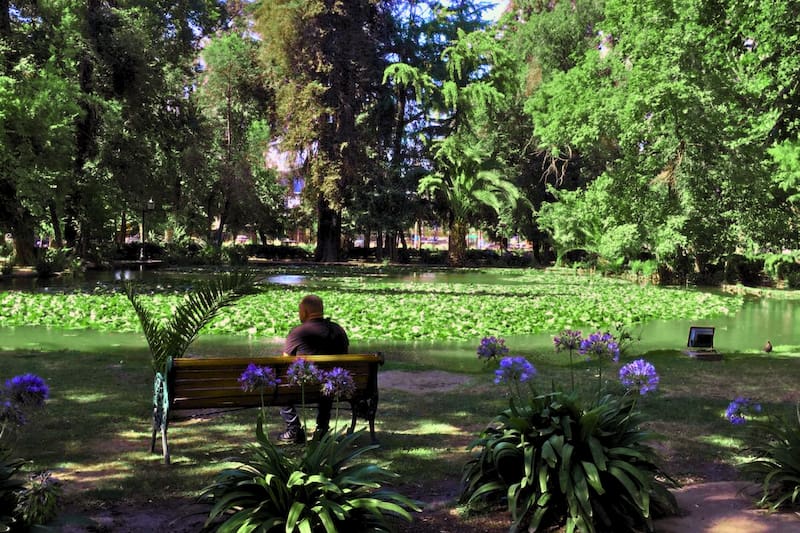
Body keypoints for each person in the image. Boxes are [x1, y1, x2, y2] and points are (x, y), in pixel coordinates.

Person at [279, 294, 349, 443]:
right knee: (327, 380)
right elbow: (345, 357)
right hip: (332, 386)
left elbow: (284, 362)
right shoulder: (338, 330)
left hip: (304, 387)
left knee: (281, 386)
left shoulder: (298, 332)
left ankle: (293, 429)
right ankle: (322, 429)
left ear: (304, 312)